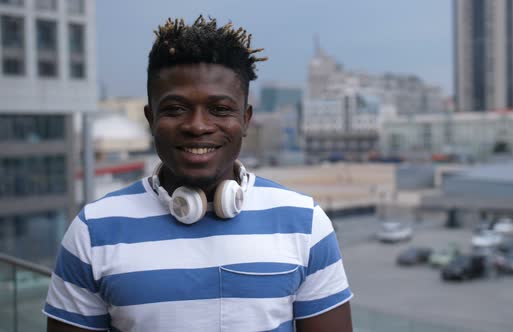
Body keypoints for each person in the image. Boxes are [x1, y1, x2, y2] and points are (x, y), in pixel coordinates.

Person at [44, 15, 353, 331]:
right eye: (175, 109)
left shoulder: (305, 223)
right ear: (150, 118)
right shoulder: (92, 232)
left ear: (246, 120)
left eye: (220, 109)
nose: (198, 126)